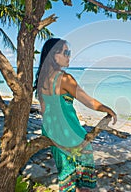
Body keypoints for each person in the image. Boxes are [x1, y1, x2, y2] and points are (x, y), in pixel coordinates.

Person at [34, 38, 117, 192]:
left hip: (52, 132)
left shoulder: (42, 79)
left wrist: (53, 133)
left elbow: (44, 110)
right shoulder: (65, 78)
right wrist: (108, 109)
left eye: (69, 52)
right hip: (71, 133)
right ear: (53, 55)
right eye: (65, 53)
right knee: (83, 179)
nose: (68, 56)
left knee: (67, 174)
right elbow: (88, 102)